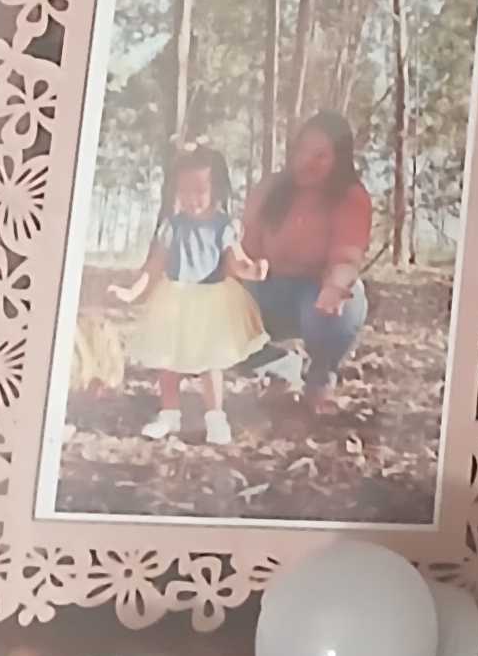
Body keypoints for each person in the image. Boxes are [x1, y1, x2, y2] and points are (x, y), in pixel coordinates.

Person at [113, 136, 265, 447]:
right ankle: (169, 414)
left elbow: (235, 260)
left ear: (216, 190)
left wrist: (252, 270)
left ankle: (215, 418)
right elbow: (154, 266)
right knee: (168, 359)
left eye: (199, 190)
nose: (191, 198)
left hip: (210, 300)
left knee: (210, 363)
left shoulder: (224, 226)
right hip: (174, 300)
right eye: (184, 191)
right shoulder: (173, 225)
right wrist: (132, 292)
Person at [240, 109, 373, 418]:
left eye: (320, 156)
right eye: (302, 151)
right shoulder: (270, 189)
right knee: (215, 309)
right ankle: (279, 369)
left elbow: (347, 256)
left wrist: (335, 286)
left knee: (345, 302)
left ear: (338, 159)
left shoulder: (351, 196)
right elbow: (245, 251)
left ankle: (320, 379)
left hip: (319, 294)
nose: (306, 162)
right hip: (270, 291)